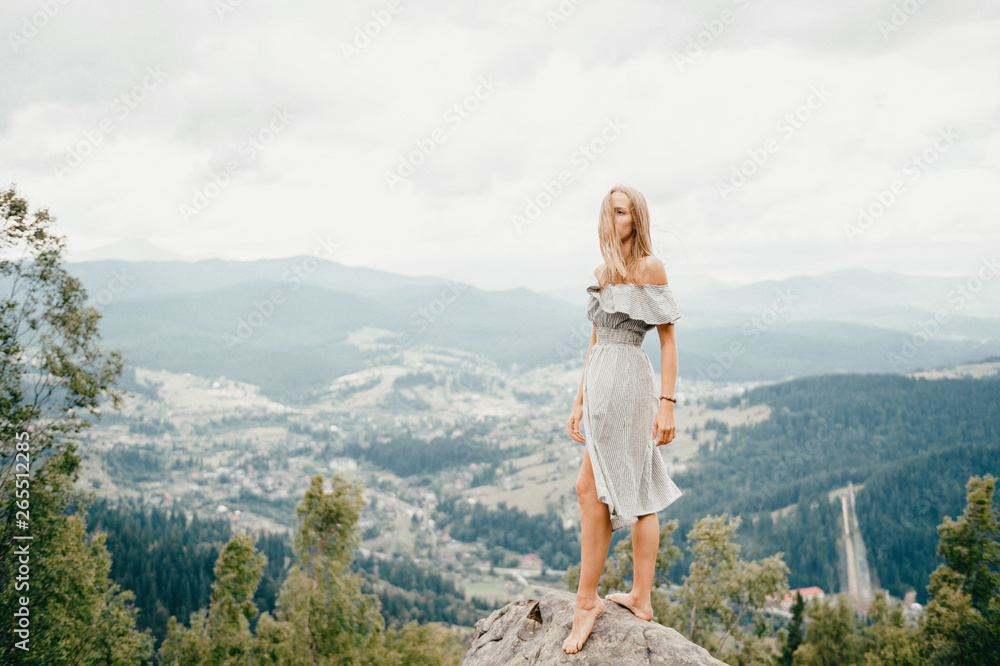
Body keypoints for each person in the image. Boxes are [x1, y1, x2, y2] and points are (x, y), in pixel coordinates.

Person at [562, 184, 684, 654]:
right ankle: (639, 597)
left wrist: (667, 402)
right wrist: (578, 400)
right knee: (635, 486)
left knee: (604, 488)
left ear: (637, 218)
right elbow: (595, 342)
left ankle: (587, 600)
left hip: (631, 383)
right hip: (599, 382)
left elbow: (668, 340)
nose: (615, 219)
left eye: (624, 212)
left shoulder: (650, 268)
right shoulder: (603, 272)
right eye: (611, 211)